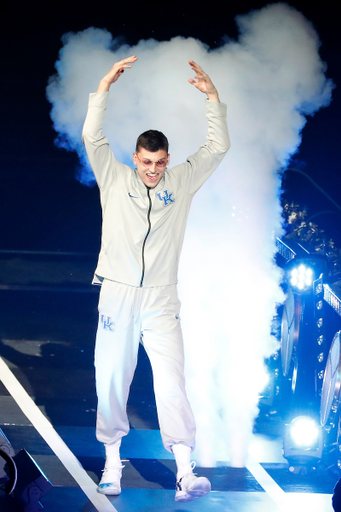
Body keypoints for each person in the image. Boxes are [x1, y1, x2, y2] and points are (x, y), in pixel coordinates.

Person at [82, 55, 230, 502]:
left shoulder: (180, 182)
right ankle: (111, 467)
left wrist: (213, 100)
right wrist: (105, 85)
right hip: (118, 293)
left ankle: (186, 471)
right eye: (147, 161)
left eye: (160, 162)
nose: (153, 169)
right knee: (110, 379)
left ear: (167, 160)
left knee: (171, 381)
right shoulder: (114, 177)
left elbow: (216, 148)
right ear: (135, 158)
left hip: (162, 298)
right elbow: (92, 135)